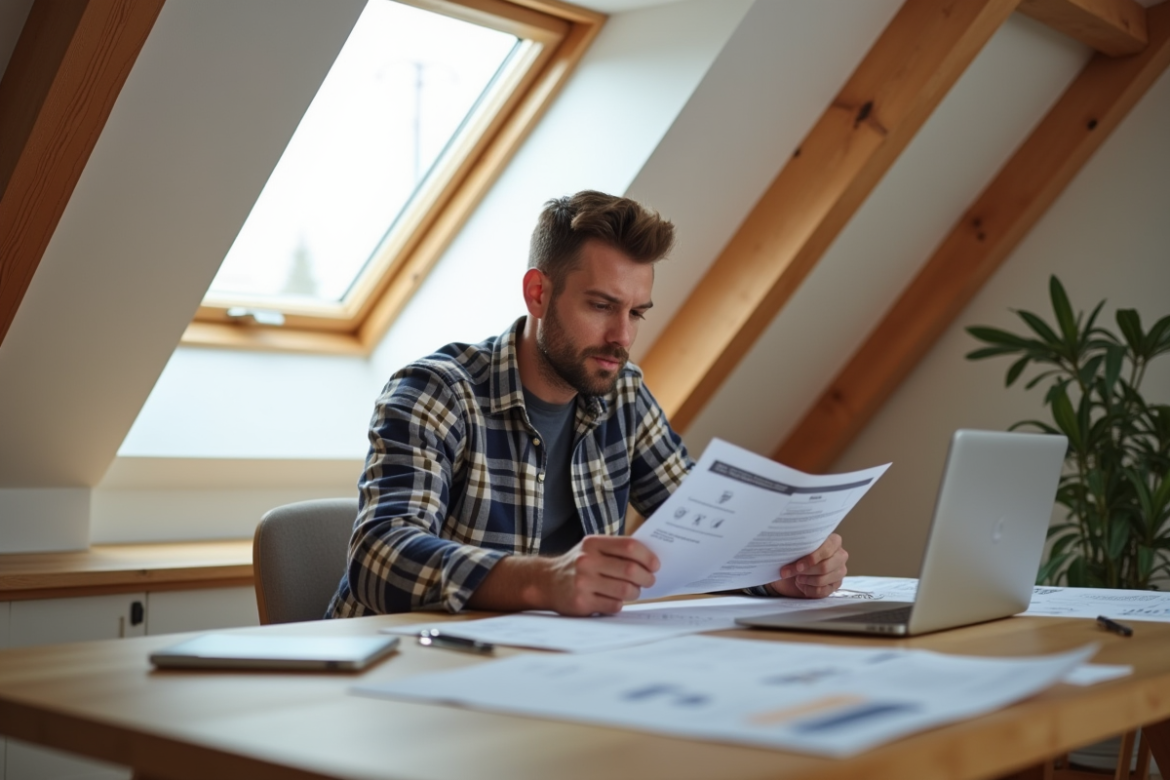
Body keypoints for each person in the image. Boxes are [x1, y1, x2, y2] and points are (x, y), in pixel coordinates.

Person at [327, 191, 848, 618]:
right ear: (537, 294)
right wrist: (542, 580)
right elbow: (379, 555)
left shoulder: (623, 394)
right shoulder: (437, 391)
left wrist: (781, 572)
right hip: (394, 674)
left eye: (636, 313)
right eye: (601, 306)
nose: (621, 337)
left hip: (538, 671)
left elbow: (704, 531)